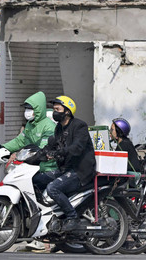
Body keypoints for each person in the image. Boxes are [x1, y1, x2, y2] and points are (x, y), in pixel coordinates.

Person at [33, 96, 96, 232]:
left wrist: (59, 153)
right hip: (64, 169)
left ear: (67, 111)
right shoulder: (59, 129)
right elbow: (52, 146)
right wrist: (31, 156)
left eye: (57, 109)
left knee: (52, 188)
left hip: (79, 171)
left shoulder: (79, 126)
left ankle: (72, 217)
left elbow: (76, 148)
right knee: (36, 179)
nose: (54, 112)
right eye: (54, 109)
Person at [3, 91, 57, 173]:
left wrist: (18, 155)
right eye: (26, 108)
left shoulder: (48, 126)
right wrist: (2, 148)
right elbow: (20, 140)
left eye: (30, 109)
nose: (27, 111)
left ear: (38, 109)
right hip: (32, 165)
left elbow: (43, 149)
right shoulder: (30, 124)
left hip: (46, 168)